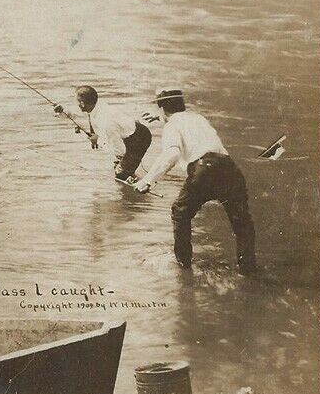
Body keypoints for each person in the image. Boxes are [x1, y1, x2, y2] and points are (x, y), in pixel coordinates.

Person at [134, 89, 256, 275]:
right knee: (241, 221)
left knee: (180, 212)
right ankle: (248, 270)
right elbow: (185, 124)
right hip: (230, 169)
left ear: (162, 108)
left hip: (204, 171)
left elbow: (172, 154)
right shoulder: (198, 118)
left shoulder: (171, 127)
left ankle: (183, 267)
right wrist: (160, 118)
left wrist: (147, 180)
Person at [54, 85, 152, 182]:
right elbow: (79, 112)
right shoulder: (96, 106)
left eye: (77, 102)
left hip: (139, 139)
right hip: (128, 131)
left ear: (83, 103)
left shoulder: (105, 121)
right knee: (122, 167)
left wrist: (97, 140)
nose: (77, 105)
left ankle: (139, 185)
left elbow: (117, 146)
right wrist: (63, 111)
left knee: (121, 175)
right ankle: (132, 175)